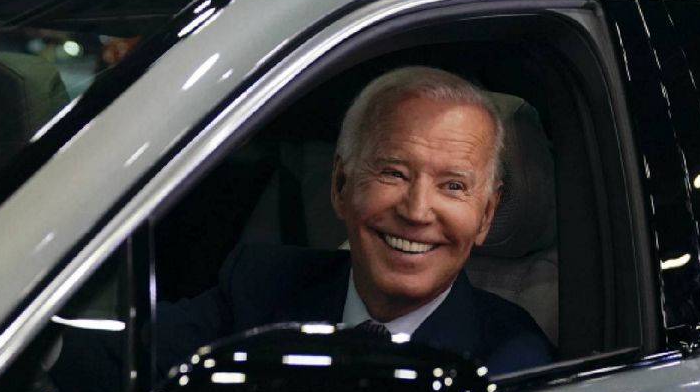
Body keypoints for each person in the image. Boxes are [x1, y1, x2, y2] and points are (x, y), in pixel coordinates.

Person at [156, 66, 554, 374]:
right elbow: (119, 362)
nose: (416, 212)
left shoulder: (512, 361)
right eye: (394, 173)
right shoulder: (259, 286)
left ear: (486, 215)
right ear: (341, 185)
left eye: (452, 186)